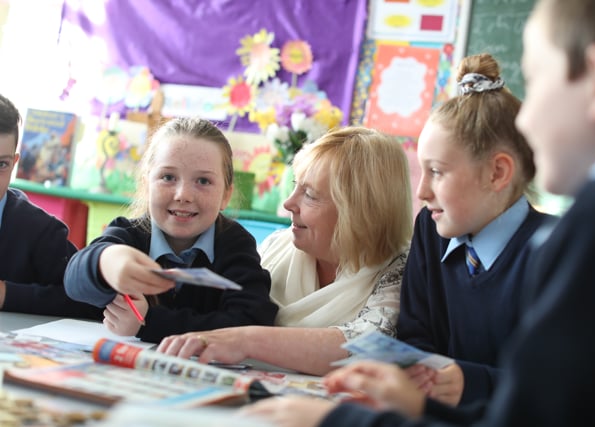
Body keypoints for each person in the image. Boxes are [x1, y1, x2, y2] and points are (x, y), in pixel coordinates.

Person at [241, 0, 595, 425]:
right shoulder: (434, 235)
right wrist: (415, 399)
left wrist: (333, 421)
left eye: (538, 82)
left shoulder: (593, 232)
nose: (529, 121)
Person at [157, 126, 414, 375]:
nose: (289, 203)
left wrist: (246, 340)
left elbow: (366, 347)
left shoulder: (401, 270)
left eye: (310, 195)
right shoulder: (275, 246)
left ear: (360, 211)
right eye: (295, 185)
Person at [395, 52, 554, 407]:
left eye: (436, 171)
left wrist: (474, 382)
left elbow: (564, 385)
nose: (421, 193)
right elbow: (414, 335)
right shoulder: (430, 227)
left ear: (497, 173)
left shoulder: (556, 251)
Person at [64, 117, 278, 343]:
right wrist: (105, 261)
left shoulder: (234, 243)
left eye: (203, 181)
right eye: (168, 177)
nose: (183, 195)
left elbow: (252, 322)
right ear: (147, 186)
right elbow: (73, 281)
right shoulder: (128, 233)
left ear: (226, 195)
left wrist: (148, 322)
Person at [0, 93, 101, 319]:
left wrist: (7, 294)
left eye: (1, 164)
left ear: (15, 163)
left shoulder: (41, 231)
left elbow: (92, 302)